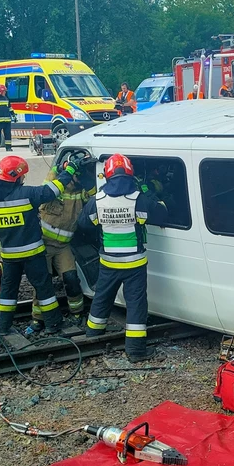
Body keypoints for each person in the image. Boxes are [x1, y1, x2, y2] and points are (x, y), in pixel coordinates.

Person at [79, 153, 168, 362]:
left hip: (108, 261)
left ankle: (92, 337)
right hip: (134, 262)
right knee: (136, 304)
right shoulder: (138, 199)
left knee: (102, 297)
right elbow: (161, 214)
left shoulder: (97, 200)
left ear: (107, 174)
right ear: (130, 173)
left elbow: (84, 224)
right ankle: (136, 351)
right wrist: (152, 195)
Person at [0, 155, 80, 338]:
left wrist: (5, 231)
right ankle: (53, 324)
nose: (23, 179)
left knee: (8, 291)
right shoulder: (26, 193)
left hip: (10, 256)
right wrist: (70, 170)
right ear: (17, 177)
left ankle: (2, 326)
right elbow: (52, 190)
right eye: (22, 176)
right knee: (44, 289)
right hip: (33, 253)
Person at [36, 154, 96, 327]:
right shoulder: (55, 186)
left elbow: (94, 198)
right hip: (44, 244)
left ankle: (77, 313)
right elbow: (50, 178)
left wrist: (87, 180)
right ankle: (38, 319)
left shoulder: (81, 191)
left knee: (71, 278)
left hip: (63, 247)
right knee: (43, 283)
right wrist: (64, 167)